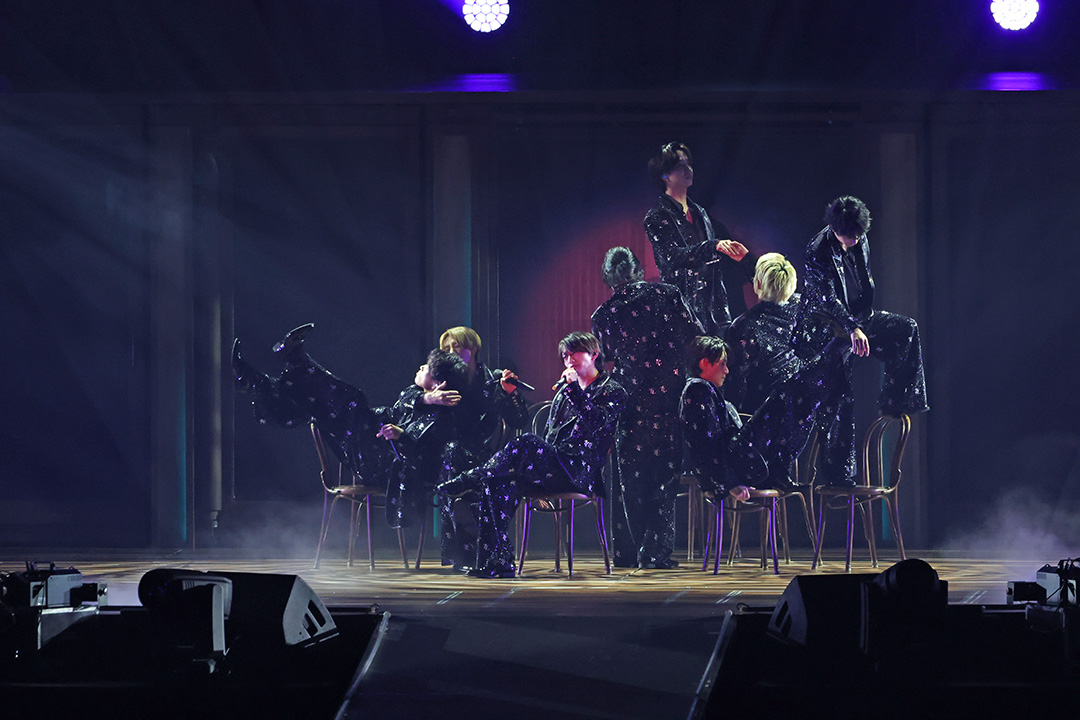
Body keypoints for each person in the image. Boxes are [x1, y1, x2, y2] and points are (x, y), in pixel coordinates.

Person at [231, 325, 468, 529]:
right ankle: (261, 380)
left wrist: (401, 436)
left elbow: (423, 457)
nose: (421, 368)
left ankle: (279, 369)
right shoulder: (417, 396)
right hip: (372, 448)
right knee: (318, 406)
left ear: (438, 383)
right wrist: (426, 398)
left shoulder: (443, 415)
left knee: (349, 399)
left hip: (380, 465)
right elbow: (405, 401)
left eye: (426, 368)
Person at [440, 332, 626, 578]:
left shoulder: (612, 390)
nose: (569, 360)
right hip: (553, 468)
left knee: (526, 441)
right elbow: (550, 437)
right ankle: (498, 562)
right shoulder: (564, 393)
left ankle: (473, 477)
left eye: (575, 353)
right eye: (565, 355)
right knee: (495, 483)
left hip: (580, 471)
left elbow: (597, 422)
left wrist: (573, 390)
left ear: (594, 354)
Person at [794, 196, 929, 487]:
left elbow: (862, 284)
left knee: (906, 329)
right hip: (825, 327)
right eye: (850, 236)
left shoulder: (859, 239)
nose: (855, 241)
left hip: (858, 319)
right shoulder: (818, 250)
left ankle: (895, 400)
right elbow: (828, 299)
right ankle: (837, 475)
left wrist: (860, 324)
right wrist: (852, 329)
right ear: (835, 229)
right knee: (839, 395)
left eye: (858, 235)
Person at [591, 246, 700, 569]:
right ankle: (655, 552)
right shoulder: (668, 295)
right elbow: (693, 334)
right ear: (638, 269)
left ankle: (628, 552)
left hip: (631, 400)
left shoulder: (604, 314)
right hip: (669, 396)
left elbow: (607, 356)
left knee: (630, 479)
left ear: (608, 277)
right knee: (665, 475)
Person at [680, 334, 849, 497]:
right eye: (722, 363)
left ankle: (837, 352)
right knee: (787, 394)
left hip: (741, 459)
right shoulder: (698, 389)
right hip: (737, 463)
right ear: (705, 363)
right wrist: (730, 483)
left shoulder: (702, 390)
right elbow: (705, 443)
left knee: (795, 402)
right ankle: (838, 348)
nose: (727, 370)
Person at [426, 326, 531, 569]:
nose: (451, 352)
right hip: (450, 453)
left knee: (477, 472)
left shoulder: (492, 380)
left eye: (457, 347)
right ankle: (466, 552)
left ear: (473, 348)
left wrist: (509, 393)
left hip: (487, 455)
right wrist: (429, 397)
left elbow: (519, 419)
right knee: (453, 455)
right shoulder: (441, 381)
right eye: (446, 348)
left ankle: (479, 550)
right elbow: (417, 414)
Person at [643, 141, 756, 335]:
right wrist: (711, 247)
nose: (688, 169)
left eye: (688, 164)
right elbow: (671, 257)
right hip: (683, 312)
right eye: (680, 166)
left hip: (715, 310)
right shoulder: (656, 216)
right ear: (665, 175)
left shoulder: (699, 212)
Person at [724, 253, 802, 414]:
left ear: (758, 283)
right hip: (804, 402)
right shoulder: (803, 306)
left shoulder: (742, 326)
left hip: (765, 411)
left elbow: (737, 384)